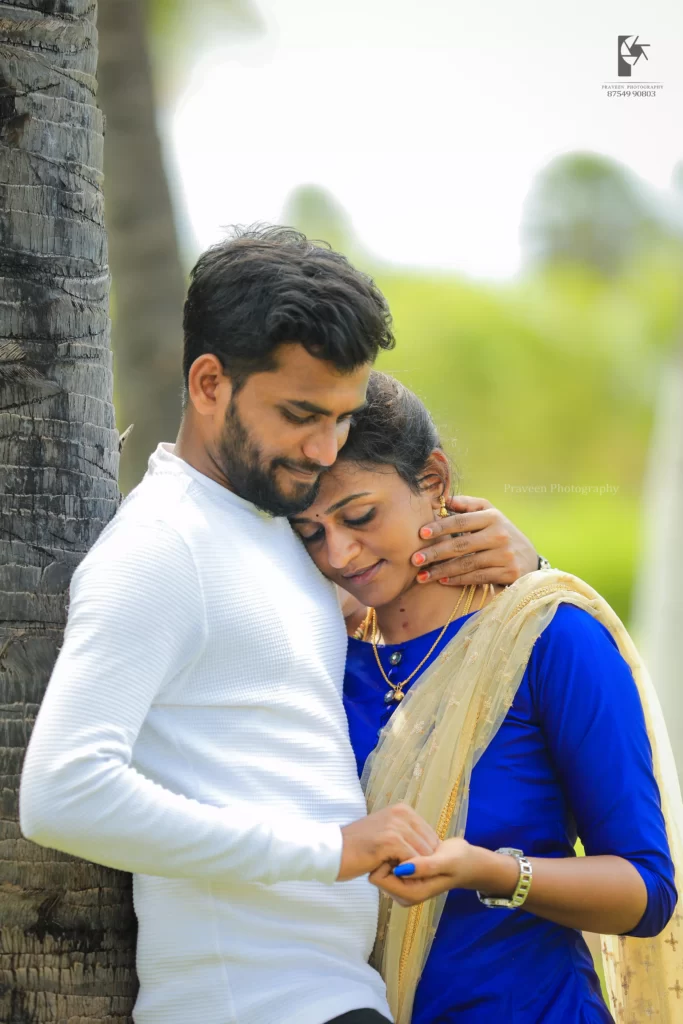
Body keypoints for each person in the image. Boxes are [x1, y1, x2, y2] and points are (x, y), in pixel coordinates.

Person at [19, 227, 541, 1024]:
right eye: (300, 414)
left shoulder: (279, 530)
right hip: (252, 1003)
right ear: (208, 384)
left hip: (332, 997)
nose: (325, 449)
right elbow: (63, 794)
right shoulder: (160, 545)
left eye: (341, 418)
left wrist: (524, 567)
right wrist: (331, 849)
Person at [290, 370, 681, 1024]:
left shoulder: (547, 639)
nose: (339, 552)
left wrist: (491, 872)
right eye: (310, 532)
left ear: (434, 480)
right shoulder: (323, 658)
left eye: (360, 516)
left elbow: (645, 891)